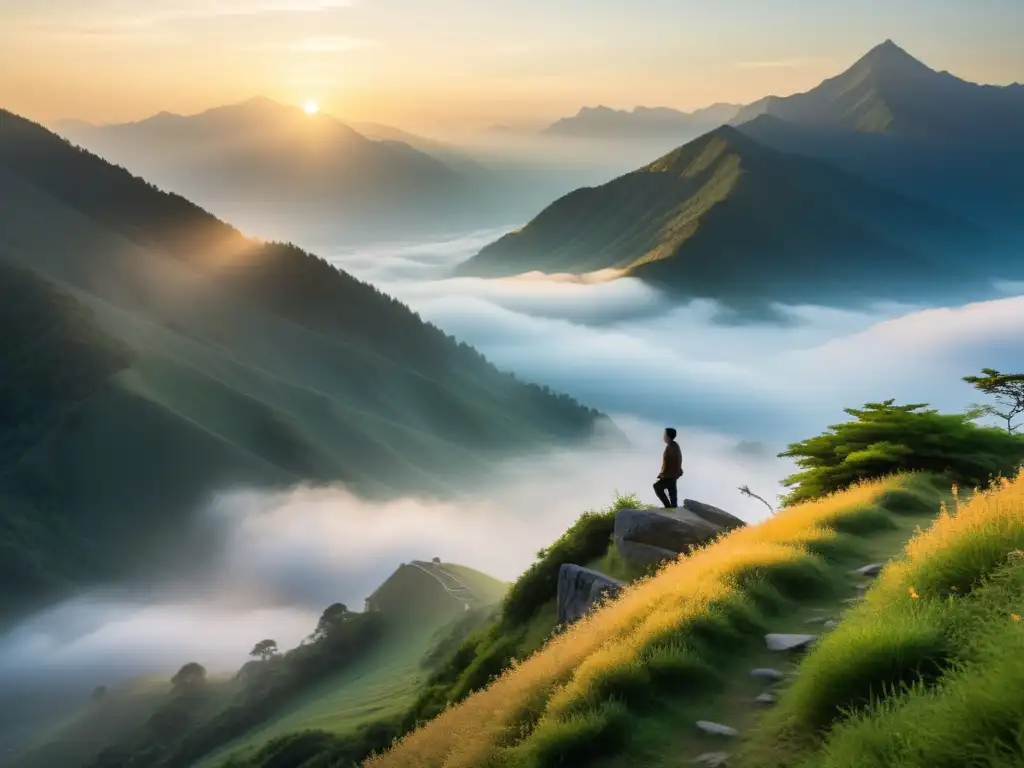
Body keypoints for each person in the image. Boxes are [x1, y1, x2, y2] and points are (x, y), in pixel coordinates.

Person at [654, 427, 683, 508]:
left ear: (668, 436)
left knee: (657, 487)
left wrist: (663, 474)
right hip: (672, 475)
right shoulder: (673, 446)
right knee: (672, 494)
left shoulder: (672, 447)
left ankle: (668, 507)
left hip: (670, 475)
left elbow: (670, 463)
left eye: (664, 434)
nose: (663, 437)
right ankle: (672, 508)